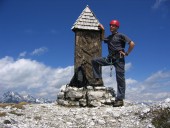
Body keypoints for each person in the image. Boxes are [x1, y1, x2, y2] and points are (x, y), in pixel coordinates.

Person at [91, 20, 135, 107]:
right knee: (95, 61)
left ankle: (120, 99)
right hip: (110, 58)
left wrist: (126, 53)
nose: (111, 27)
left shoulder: (121, 35)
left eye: (114, 26)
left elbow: (132, 43)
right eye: (110, 25)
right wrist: (103, 30)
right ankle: (97, 78)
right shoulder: (109, 37)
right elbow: (102, 39)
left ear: (117, 27)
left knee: (120, 79)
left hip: (119, 59)